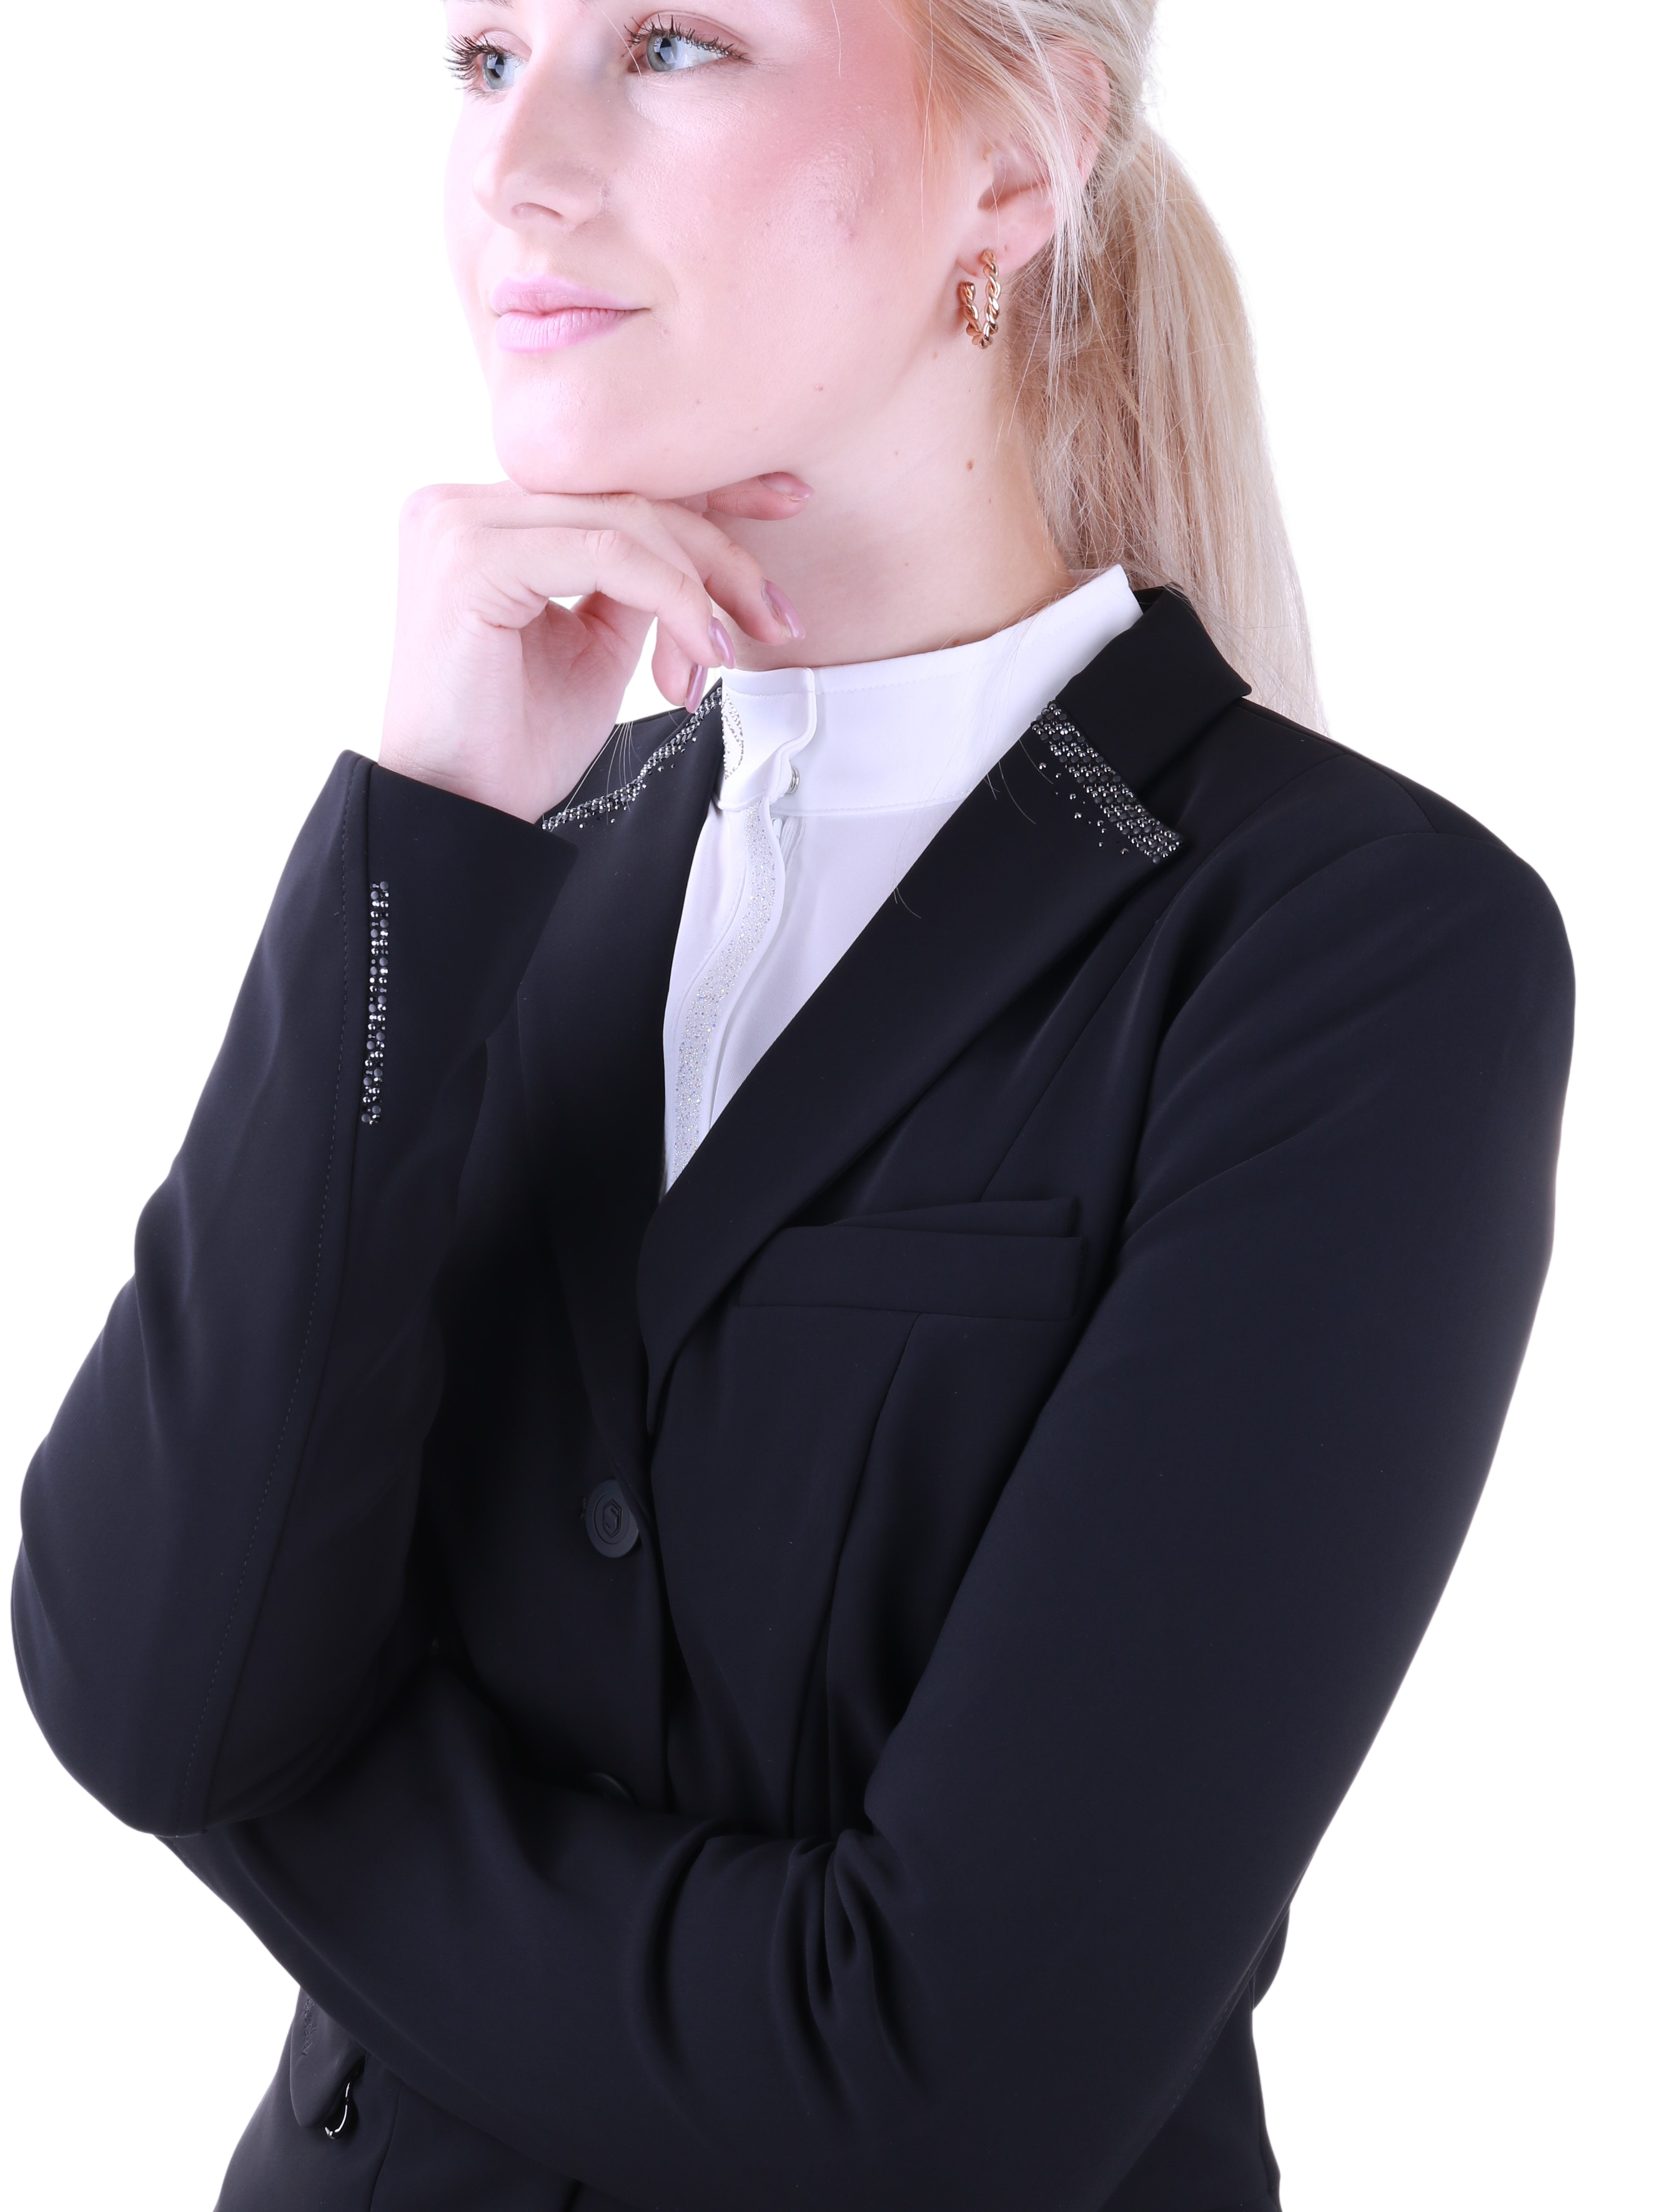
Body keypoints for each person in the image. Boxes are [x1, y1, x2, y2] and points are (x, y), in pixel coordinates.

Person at [11, 2, 1574, 2207]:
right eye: (482, 60)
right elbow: (126, 1661)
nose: (517, 170)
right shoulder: (497, 861)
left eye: (672, 42)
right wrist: (426, 819)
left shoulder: (1352, 947)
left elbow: (936, 2090)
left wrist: (253, 1774)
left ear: (1014, 166)